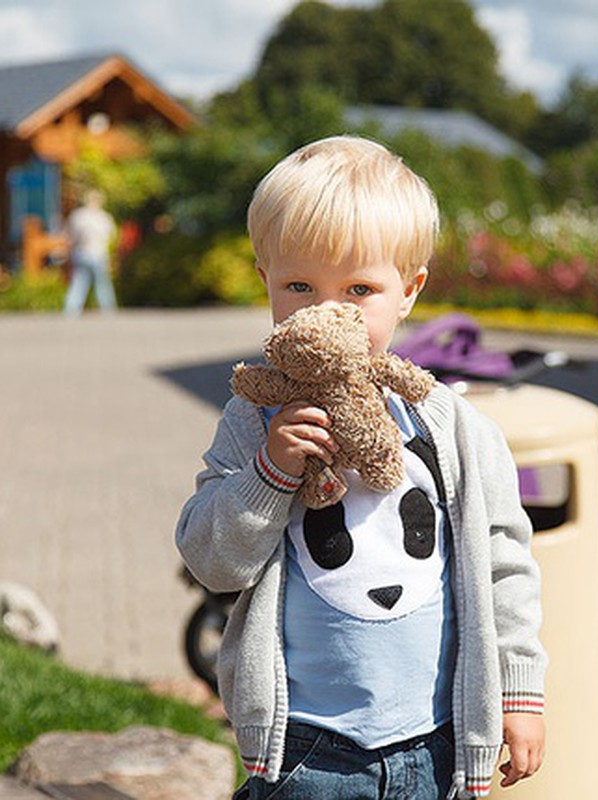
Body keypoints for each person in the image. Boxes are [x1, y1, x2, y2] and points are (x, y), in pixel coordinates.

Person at [175, 136, 547, 800]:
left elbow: (504, 564)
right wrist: (270, 472)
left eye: (359, 290)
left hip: (438, 742)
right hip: (309, 748)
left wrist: (518, 693)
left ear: (409, 290)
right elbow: (212, 561)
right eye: (299, 285)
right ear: (265, 280)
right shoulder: (252, 418)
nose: (326, 312)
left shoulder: (452, 428)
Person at [63, 189, 117, 316]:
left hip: (82, 252)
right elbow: (112, 236)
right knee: (102, 284)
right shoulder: (104, 217)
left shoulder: (78, 216)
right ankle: (108, 310)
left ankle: (71, 310)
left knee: (79, 282)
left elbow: (70, 236)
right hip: (99, 253)